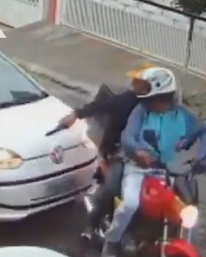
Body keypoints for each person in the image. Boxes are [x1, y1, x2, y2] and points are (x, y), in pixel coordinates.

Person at [101, 66, 206, 257]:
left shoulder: (183, 114)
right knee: (129, 205)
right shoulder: (141, 111)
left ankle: (185, 242)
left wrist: (202, 158)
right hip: (138, 168)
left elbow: (203, 129)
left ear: (160, 93)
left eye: (146, 89)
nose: (141, 93)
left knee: (189, 210)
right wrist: (138, 152)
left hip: (169, 171)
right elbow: (127, 136)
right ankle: (111, 241)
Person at [58, 64, 155, 240]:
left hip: (152, 157)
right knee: (111, 187)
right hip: (120, 153)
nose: (132, 82)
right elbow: (102, 105)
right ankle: (91, 225)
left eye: (137, 80)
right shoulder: (127, 101)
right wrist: (76, 114)